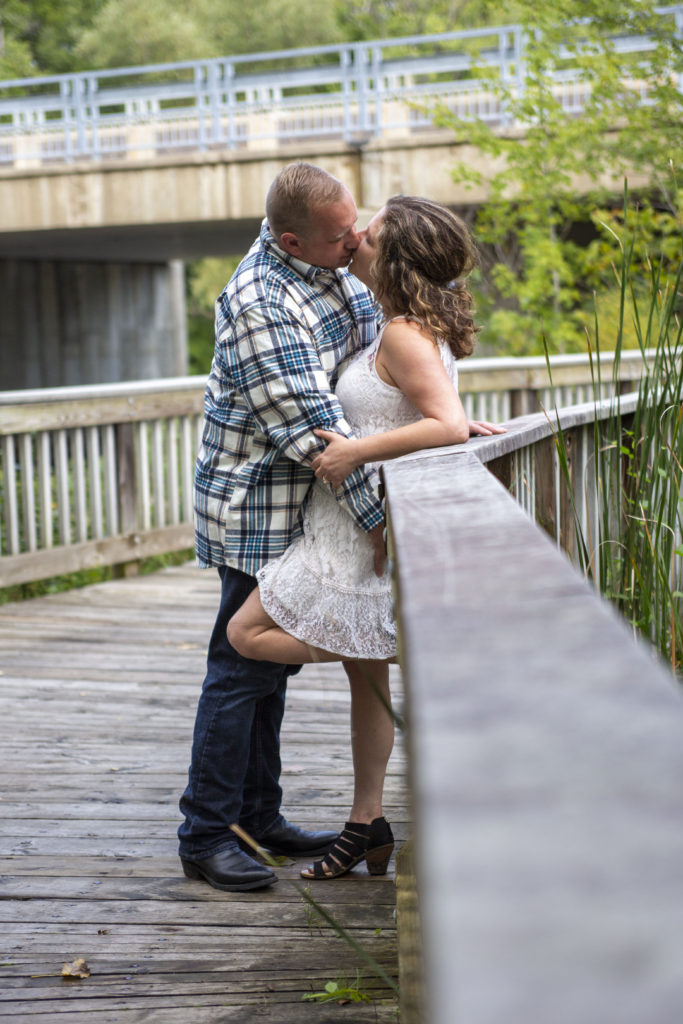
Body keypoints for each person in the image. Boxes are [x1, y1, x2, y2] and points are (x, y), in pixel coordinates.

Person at [227, 195, 505, 879]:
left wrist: (354, 452)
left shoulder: (404, 332)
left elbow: (440, 420)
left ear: (396, 257)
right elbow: (432, 411)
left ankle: (392, 639)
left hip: (361, 532)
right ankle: (365, 822)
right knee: (366, 688)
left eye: (370, 236)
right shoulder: (402, 324)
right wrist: (440, 425)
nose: (355, 238)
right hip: (358, 523)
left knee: (245, 634)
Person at [178, 163, 389, 892]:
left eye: (355, 225)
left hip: (304, 500)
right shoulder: (261, 302)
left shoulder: (323, 257)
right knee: (241, 668)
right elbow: (317, 436)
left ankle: (257, 817)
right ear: (291, 238)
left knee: (271, 670)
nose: (355, 242)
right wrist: (383, 529)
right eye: (340, 237)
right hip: (256, 502)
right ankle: (205, 834)